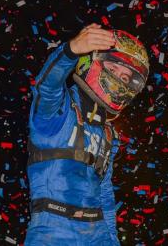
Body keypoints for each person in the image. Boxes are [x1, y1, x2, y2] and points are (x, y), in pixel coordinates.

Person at [24, 23, 150, 245]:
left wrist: (112, 241)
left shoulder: (109, 133)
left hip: (97, 232)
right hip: (53, 230)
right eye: (113, 67)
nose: (120, 79)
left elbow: (105, 196)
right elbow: (46, 88)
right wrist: (70, 51)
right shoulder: (57, 112)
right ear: (92, 61)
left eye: (127, 76)